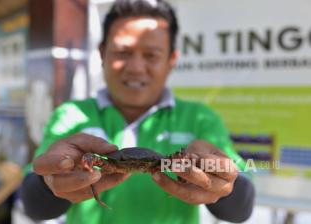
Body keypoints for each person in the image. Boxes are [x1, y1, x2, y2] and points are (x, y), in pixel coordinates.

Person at [20, 0, 255, 223]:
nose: (135, 68)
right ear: (102, 53)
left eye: (151, 55)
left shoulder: (201, 119)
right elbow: (34, 205)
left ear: (172, 59)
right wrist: (50, 180)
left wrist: (222, 183)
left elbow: (242, 207)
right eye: (122, 53)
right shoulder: (71, 116)